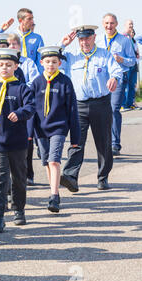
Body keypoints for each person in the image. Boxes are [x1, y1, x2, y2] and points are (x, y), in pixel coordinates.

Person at [59, 25, 122, 193]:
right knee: (76, 142)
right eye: (80, 39)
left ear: (94, 37)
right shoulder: (71, 57)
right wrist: (63, 45)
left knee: (103, 142)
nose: (84, 42)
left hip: (100, 103)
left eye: (87, 38)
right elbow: (53, 61)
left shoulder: (104, 54)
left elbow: (116, 69)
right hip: (78, 105)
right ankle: (70, 177)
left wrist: (114, 78)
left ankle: (103, 177)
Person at [0, 48, 35, 232]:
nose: (5, 68)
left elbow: (31, 106)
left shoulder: (22, 88)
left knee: (19, 178)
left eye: (9, 65)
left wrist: (20, 113)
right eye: (1, 65)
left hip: (18, 143)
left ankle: (19, 209)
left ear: (16, 66)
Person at [29, 46, 80, 213]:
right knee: (46, 162)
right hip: (40, 129)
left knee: (54, 160)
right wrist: (29, 133)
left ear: (59, 63)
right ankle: (54, 188)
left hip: (58, 127)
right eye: (47, 62)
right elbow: (31, 109)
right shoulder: (36, 82)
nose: (51, 65)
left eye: (54, 62)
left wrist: (75, 138)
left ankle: (54, 195)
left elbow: (72, 109)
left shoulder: (65, 81)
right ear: (42, 62)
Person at [96, 13, 136, 157]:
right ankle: (103, 143)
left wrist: (121, 59)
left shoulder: (124, 41)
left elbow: (133, 61)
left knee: (113, 109)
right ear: (102, 24)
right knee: (100, 111)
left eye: (112, 23)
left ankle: (115, 144)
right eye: (106, 23)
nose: (109, 26)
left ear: (117, 24)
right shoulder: (98, 39)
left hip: (118, 78)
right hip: (101, 78)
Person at [7, 33, 40, 186]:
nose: (12, 47)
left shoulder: (27, 63)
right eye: (9, 44)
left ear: (19, 46)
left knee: (27, 139)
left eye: (14, 44)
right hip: (7, 105)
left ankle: (29, 173)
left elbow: (33, 81)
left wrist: (20, 90)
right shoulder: (2, 63)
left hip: (24, 103)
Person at [0, 8, 45, 73]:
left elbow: (40, 60)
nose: (32, 22)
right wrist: (1, 30)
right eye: (29, 19)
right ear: (21, 20)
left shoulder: (37, 38)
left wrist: (39, 78)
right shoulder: (10, 35)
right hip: (12, 72)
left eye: (32, 18)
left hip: (30, 72)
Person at [122, 20, 139, 111]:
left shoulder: (131, 38)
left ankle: (129, 104)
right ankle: (123, 105)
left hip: (134, 64)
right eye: (129, 24)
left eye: (132, 23)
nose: (131, 25)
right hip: (126, 65)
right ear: (125, 25)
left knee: (132, 85)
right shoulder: (122, 37)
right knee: (125, 85)